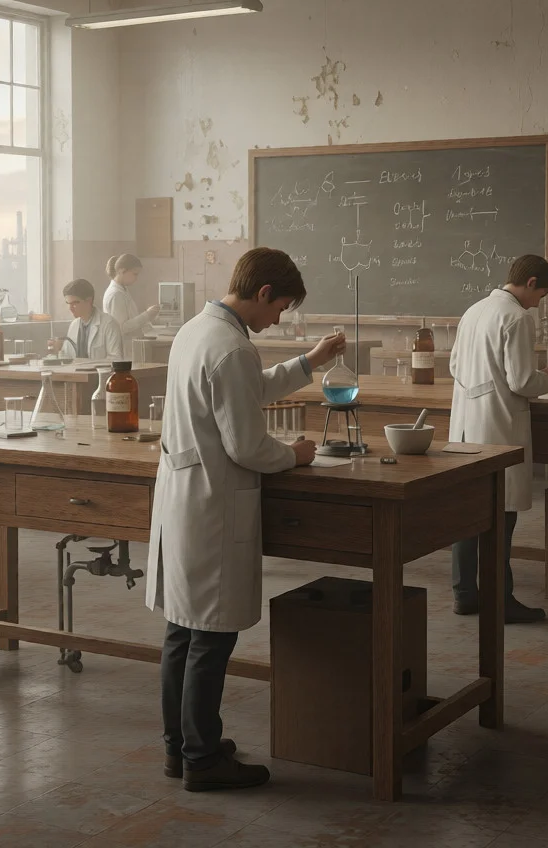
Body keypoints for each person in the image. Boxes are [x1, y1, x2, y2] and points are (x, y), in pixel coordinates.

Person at [145, 247, 344, 793]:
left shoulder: (198, 331)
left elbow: (248, 390)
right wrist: (295, 454)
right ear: (262, 294)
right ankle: (204, 761)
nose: (277, 318)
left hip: (185, 497)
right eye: (280, 307)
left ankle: (180, 746)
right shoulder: (231, 347)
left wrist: (310, 361)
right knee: (210, 638)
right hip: (211, 503)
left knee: (182, 633)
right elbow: (248, 446)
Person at [448, 254, 548, 624]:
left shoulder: (474, 310)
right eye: (541, 295)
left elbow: (453, 366)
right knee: (501, 517)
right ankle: (501, 600)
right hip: (498, 429)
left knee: (466, 513)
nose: (539, 303)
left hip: (466, 425)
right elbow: (522, 382)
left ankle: (465, 595)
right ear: (530, 283)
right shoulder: (517, 317)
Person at [46, 279, 123, 361]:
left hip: (100, 373)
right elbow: (68, 358)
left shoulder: (109, 324)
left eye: (75, 303)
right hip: (76, 373)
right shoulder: (74, 325)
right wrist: (59, 350)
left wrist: (90, 366)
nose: (70, 308)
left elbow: (116, 359)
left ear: (89, 301)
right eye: (68, 303)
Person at [103, 253, 160, 356]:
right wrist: (147, 315)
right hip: (123, 350)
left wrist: (149, 320)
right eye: (134, 274)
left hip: (131, 347)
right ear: (121, 270)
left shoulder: (123, 290)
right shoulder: (116, 295)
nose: (136, 278)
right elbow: (122, 327)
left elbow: (132, 318)